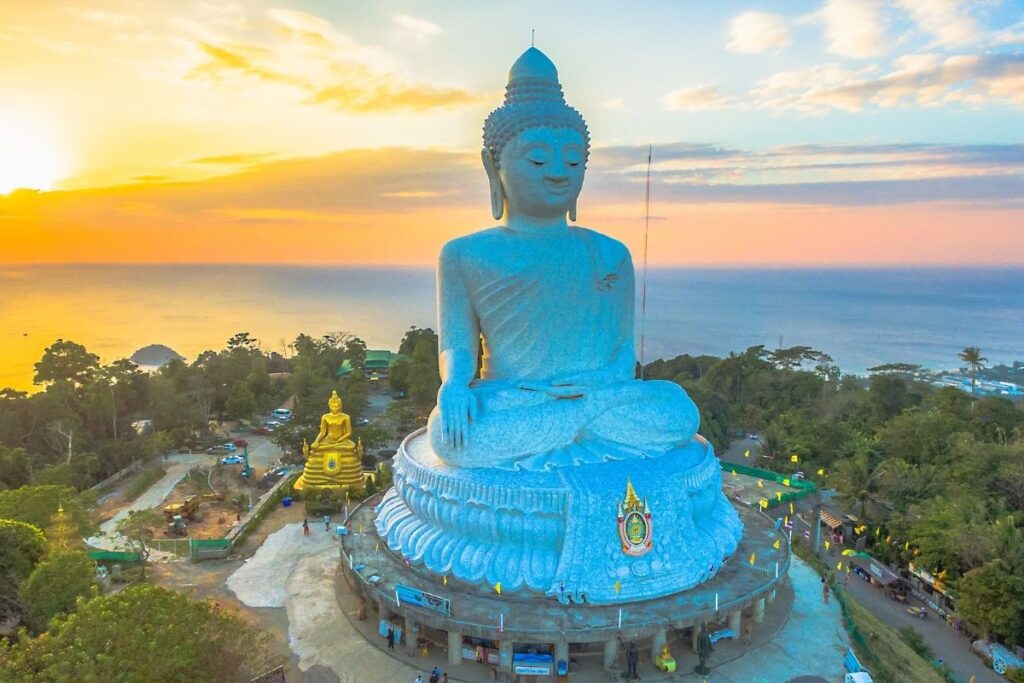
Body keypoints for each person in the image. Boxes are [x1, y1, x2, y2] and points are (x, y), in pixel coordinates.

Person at [426, 47, 700, 470]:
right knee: (451, 434)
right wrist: (454, 387)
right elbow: (457, 346)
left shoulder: (610, 253)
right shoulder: (464, 254)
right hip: (515, 399)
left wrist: (599, 384)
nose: (558, 172)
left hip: (596, 395)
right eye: (537, 158)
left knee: (676, 408)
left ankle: (568, 432)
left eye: (573, 160)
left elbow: (623, 352)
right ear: (492, 168)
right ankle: (583, 436)